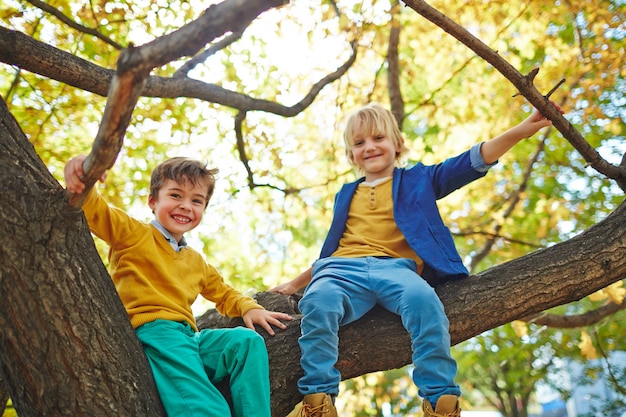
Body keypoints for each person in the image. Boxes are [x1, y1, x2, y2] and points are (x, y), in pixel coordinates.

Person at [270, 102, 564, 417]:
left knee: (425, 302)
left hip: (398, 270)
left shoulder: (417, 179)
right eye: (359, 143)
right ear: (350, 155)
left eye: (378, 138)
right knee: (318, 302)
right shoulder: (346, 193)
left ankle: (441, 402)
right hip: (342, 271)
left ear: (397, 144)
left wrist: (524, 128)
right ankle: (318, 401)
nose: (369, 147)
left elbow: (470, 161)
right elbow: (331, 250)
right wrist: (294, 285)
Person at [64, 155, 292, 417]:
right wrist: (85, 172)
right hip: (154, 332)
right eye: (175, 195)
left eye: (196, 200)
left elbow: (224, 292)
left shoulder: (195, 261)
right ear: (153, 201)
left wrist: (249, 308)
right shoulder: (133, 234)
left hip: (189, 337)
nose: (186, 206)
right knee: (206, 407)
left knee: (246, 342)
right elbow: (95, 209)